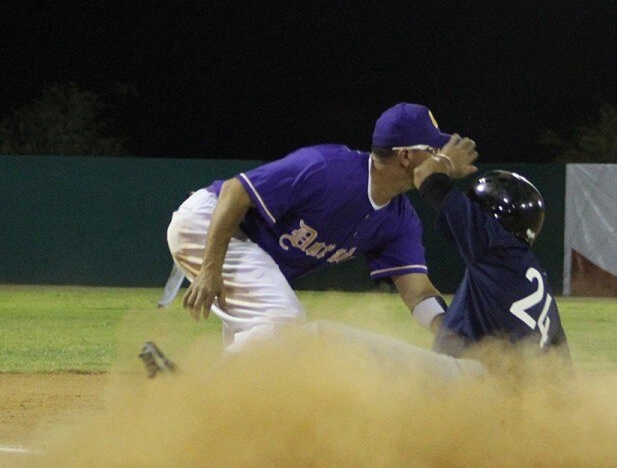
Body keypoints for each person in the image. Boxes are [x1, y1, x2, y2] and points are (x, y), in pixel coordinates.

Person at [160, 103, 466, 359]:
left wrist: (448, 333)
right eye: (434, 149)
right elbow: (234, 191)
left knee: (266, 351)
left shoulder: (399, 219)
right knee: (285, 321)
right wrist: (211, 268)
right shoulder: (328, 168)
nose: (442, 158)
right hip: (209, 221)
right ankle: (189, 390)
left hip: (250, 249)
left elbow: (419, 292)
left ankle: (217, 412)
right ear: (405, 156)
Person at [411, 138, 570, 361]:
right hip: (525, 391)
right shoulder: (536, 278)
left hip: (473, 386)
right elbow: (562, 370)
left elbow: (424, 176)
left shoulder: (492, 242)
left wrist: (445, 161)